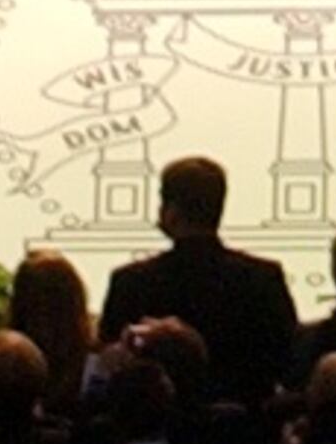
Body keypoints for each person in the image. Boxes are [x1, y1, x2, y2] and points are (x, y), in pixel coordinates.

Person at [95, 160, 302, 390]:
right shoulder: (263, 278)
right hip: (245, 421)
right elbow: (287, 362)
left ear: (171, 212)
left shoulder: (131, 282)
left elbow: (110, 364)